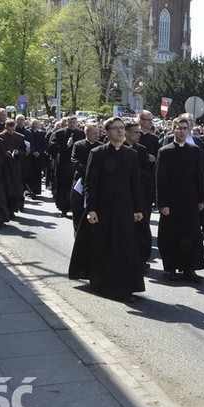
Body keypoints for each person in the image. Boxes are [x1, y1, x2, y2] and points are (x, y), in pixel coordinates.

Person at [69, 117, 144, 302]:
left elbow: (136, 184)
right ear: (108, 132)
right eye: (116, 128)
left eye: (122, 128)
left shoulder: (131, 154)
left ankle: (125, 287)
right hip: (103, 208)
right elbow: (90, 183)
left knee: (125, 246)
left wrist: (138, 208)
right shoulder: (97, 153)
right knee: (105, 247)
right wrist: (91, 209)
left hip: (125, 208)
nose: (120, 132)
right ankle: (105, 284)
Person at [155, 116, 204, 282]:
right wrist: (162, 204)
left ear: (189, 130)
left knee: (191, 235)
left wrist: (201, 199)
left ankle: (189, 268)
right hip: (171, 201)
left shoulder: (195, 151)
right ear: (173, 130)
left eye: (185, 128)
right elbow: (160, 180)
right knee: (170, 236)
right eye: (179, 128)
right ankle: (170, 268)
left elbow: (200, 176)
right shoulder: (165, 151)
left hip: (190, 200)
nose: (182, 131)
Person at [124, 120, 154, 269]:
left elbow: (146, 171)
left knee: (141, 229)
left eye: (139, 132)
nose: (138, 135)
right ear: (127, 133)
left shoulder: (141, 149)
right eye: (135, 132)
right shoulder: (118, 147)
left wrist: (135, 174)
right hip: (122, 195)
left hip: (138, 194)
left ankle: (141, 260)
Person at [48, 115, 84, 217]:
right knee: (63, 187)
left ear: (77, 123)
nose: (72, 124)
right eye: (70, 122)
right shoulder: (59, 133)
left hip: (76, 165)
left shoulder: (81, 134)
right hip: (63, 165)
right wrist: (66, 146)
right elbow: (52, 148)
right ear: (66, 123)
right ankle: (63, 208)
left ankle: (74, 207)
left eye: (74, 122)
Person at [70, 123, 102, 234]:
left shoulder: (102, 146)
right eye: (94, 133)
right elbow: (75, 161)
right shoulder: (79, 145)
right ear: (86, 133)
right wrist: (89, 173)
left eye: (98, 133)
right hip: (81, 181)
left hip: (97, 182)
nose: (97, 135)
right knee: (78, 208)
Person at [0, 120, 27, 219]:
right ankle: (5, 210)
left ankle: (13, 209)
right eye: (9, 130)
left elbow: (24, 150)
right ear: (5, 127)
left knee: (16, 190)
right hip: (4, 166)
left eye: (13, 130)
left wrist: (18, 152)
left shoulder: (19, 137)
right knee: (5, 189)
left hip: (15, 166)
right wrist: (4, 153)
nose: (11, 132)